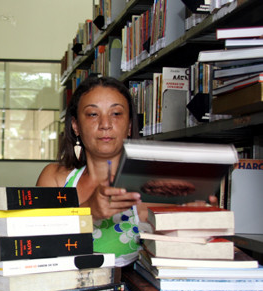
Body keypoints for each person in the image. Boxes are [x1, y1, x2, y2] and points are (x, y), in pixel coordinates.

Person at [36, 75, 216, 266]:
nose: (105, 124)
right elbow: (33, 243)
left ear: (129, 125)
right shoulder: (55, 179)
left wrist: (193, 225)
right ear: (75, 126)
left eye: (116, 113)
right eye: (92, 114)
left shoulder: (156, 189)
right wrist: (88, 211)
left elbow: (178, 257)